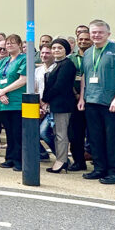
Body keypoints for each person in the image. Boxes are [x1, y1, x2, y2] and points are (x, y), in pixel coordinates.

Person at [78, 20, 115, 185]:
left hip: (112, 103)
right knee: (95, 138)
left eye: (100, 32)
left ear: (108, 34)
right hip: (92, 101)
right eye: (93, 32)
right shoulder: (88, 53)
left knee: (113, 139)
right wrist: (82, 97)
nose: (96, 35)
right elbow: (84, 76)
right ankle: (99, 169)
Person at [0, 34, 27, 171]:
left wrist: (4, 91)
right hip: (3, 102)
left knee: (18, 133)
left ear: (20, 45)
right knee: (9, 133)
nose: (9, 45)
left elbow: (23, 79)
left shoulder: (24, 59)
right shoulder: (3, 61)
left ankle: (19, 160)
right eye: (7, 43)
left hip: (17, 102)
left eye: (13, 43)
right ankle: (10, 158)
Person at [42, 39, 76, 173]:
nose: (56, 50)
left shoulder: (67, 65)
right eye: (54, 48)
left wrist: (45, 99)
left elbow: (59, 86)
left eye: (60, 48)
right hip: (55, 104)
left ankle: (62, 161)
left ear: (66, 50)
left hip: (63, 105)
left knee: (61, 134)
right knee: (57, 133)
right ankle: (60, 159)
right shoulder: (56, 64)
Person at [67, 29, 92, 171]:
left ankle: (98, 161)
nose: (83, 42)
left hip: (94, 100)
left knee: (95, 134)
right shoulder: (71, 58)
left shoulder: (95, 55)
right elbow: (67, 79)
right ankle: (79, 161)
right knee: (75, 134)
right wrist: (76, 95)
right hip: (75, 101)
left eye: (86, 39)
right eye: (80, 39)